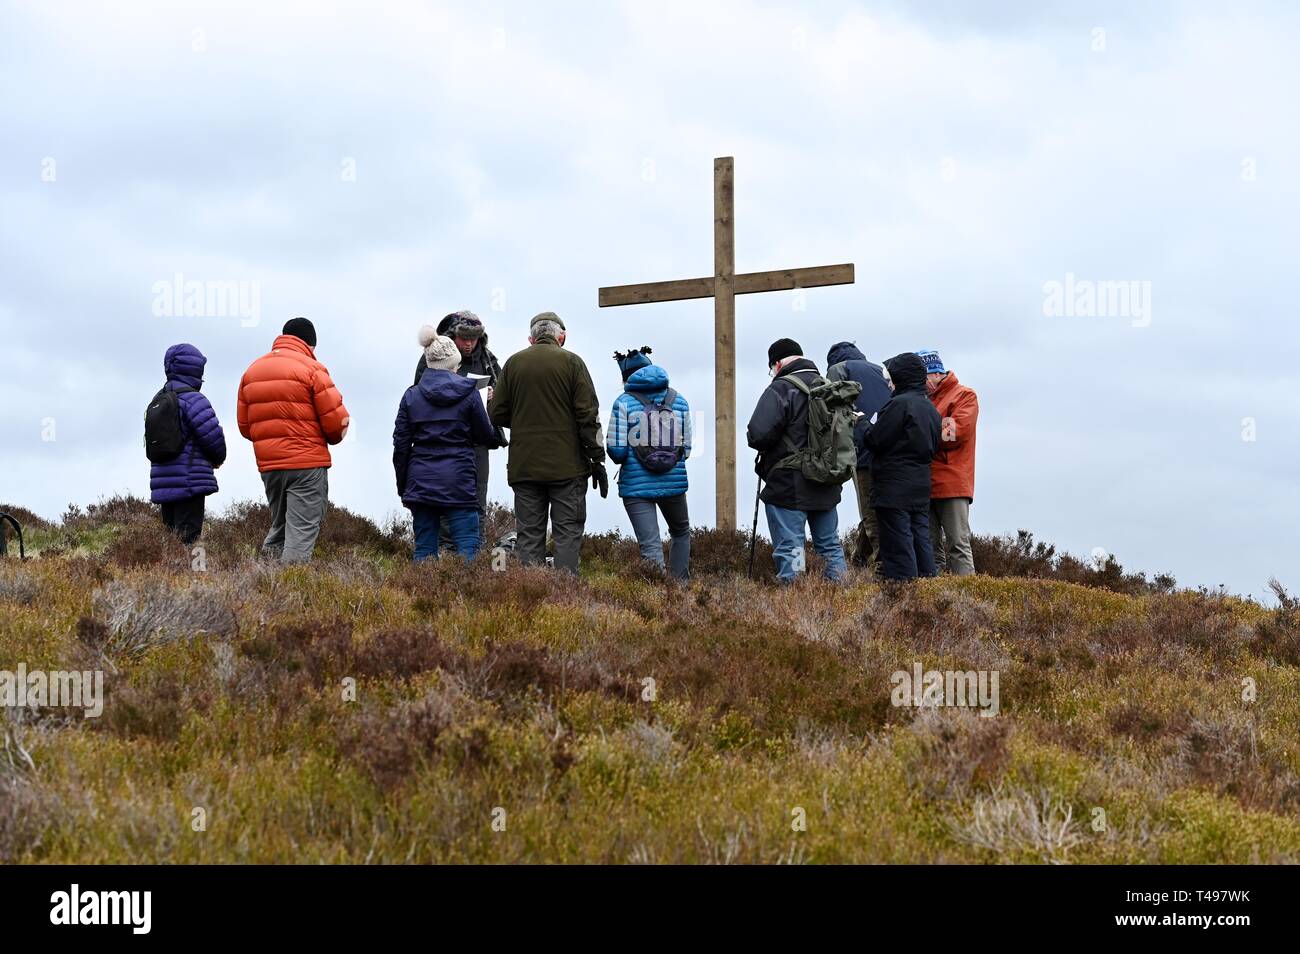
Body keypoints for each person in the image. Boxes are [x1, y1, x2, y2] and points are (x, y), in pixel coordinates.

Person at [488, 312, 605, 574]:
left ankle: (533, 593)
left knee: (529, 535)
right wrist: (597, 457)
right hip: (568, 468)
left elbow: (496, 413)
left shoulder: (513, 364)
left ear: (531, 339)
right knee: (567, 533)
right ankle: (564, 597)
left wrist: (523, 419)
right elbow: (589, 416)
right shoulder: (573, 363)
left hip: (525, 467)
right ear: (561, 336)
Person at [236, 317, 350, 563]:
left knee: (280, 527)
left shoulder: (252, 371)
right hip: (306, 465)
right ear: (310, 344)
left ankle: (263, 584)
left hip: (269, 465)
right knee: (301, 531)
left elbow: (245, 427)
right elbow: (335, 424)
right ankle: (289, 592)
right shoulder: (313, 369)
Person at [745, 338, 849, 584]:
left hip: (789, 485)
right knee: (829, 546)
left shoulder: (781, 388)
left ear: (778, 363)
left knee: (793, 548)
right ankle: (845, 598)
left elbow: (758, 434)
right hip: (826, 480)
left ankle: (797, 597)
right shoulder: (827, 387)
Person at [394, 334, 496, 560]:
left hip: (421, 481)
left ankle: (422, 593)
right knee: (468, 547)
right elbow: (485, 435)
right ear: (454, 363)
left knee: (424, 551)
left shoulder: (411, 396)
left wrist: (404, 486)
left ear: (429, 362)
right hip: (459, 480)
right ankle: (467, 594)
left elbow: (400, 446)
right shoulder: (470, 393)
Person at [413, 311, 506, 546]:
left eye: (474, 338)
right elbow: (422, 393)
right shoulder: (432, 357)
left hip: (477, 441)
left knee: (477, 501)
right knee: (444, 501)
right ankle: (446, 556)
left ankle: (474, 555)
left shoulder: (488, 359)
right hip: (443, 440)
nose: (469, 344)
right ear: (452, 336)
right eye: (464, 338)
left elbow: (505, 394)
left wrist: (493, 397)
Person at [605, 346, 692, 580]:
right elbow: (687, 449)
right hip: (673, 483)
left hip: (636, 487)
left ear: (626, 377)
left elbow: (617, 451)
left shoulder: (623, 402)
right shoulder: (679, 400)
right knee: (681, 532)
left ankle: (656, 599)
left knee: (650, 544)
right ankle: (680, 590)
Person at [862, 352, 941, 581]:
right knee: (920, 538)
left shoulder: (898, 405)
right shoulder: (931, 410)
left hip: (893, 486)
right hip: (920, 484)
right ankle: (928, 586)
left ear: (902, 376)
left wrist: (861, 423)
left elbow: (875, 439)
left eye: (891, 377)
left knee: (898, 542)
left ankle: (904, 592)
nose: (889, 382)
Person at [147, 343, 226, 544]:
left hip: (164, 483)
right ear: (194, 369)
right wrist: (218, 459)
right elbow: (213, 439)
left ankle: (169, 574)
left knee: (171, 541)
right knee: (188, 539)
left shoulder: (157, 400)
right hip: (190, 482)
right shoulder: (194, 400)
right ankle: (191, 574)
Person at [826, 341, 893, 575]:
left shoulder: (838, 370)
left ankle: (884, 573)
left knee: (871, 513)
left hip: (862, 451)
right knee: (880, 506)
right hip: (888, 447)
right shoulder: (879, 370)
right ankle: (859, 560)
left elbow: (832, 411)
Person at [917, 349, 979, 576]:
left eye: (922, 378)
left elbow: (955, 432)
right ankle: (936, 601)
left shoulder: (965, 395)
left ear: (934, 373)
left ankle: (969, 599)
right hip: (927, 482)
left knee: (958, 544)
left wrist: (920, 431)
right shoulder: (926, 400)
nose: (921, 384)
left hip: (952, 483)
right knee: (929, 546)